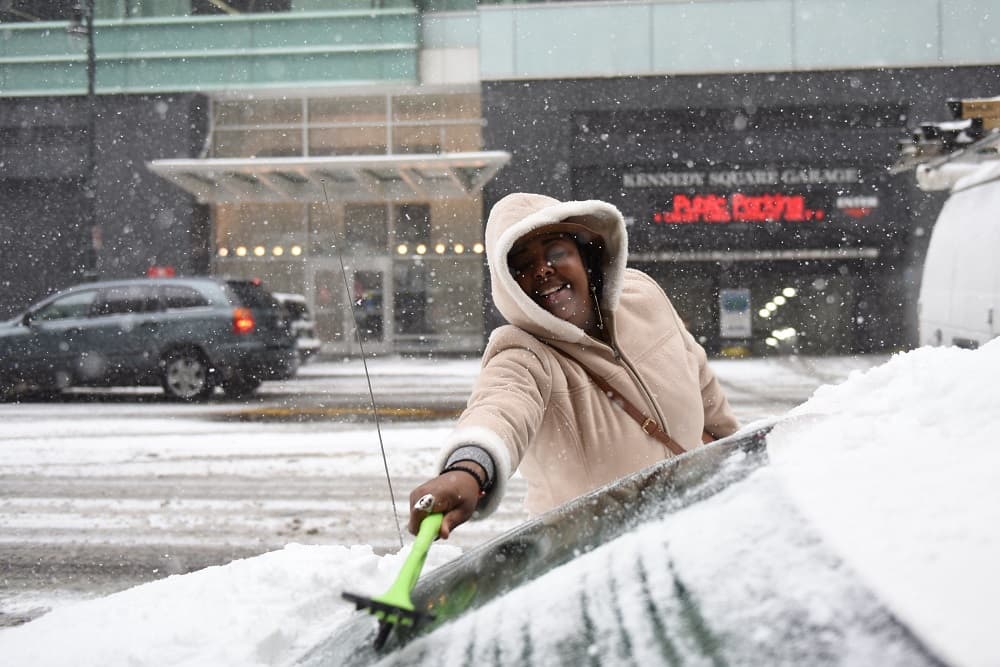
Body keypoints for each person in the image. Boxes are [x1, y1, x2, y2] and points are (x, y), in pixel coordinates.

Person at [408, 192, 739, 538]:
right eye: (522, 265)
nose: (542, 269)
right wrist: (467, 470)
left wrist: (741, 458)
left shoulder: (644, 296)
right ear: (509, 286)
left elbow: (704, 389)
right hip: (596, 554)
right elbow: (499, 409)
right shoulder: (523, 353)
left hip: (694, 532)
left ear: (586, 256)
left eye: (556, 252)